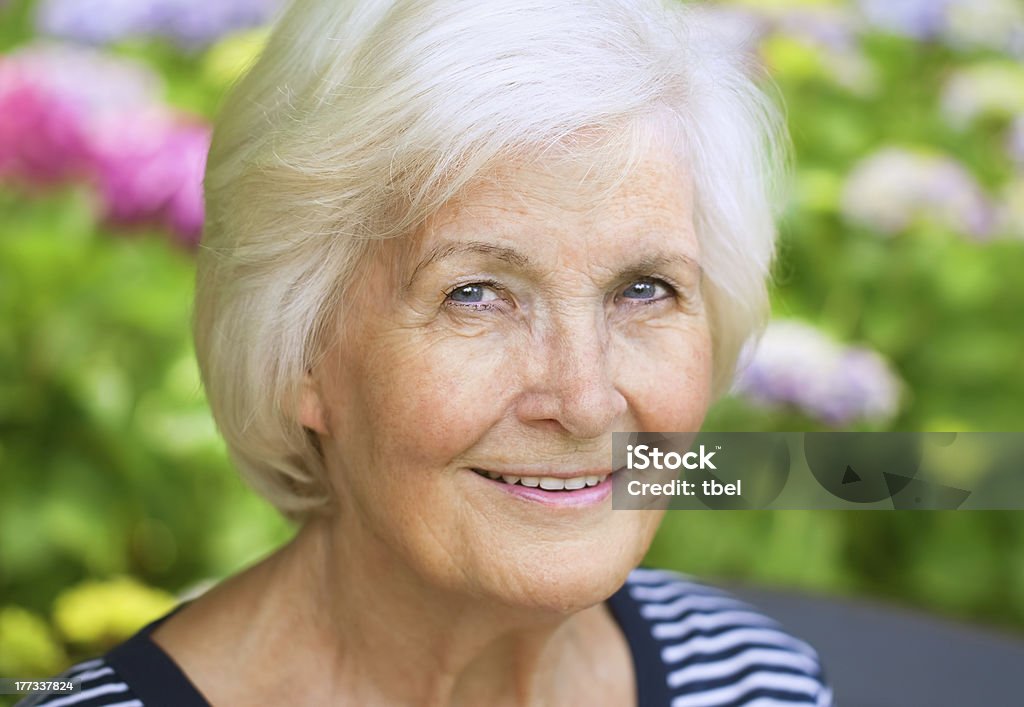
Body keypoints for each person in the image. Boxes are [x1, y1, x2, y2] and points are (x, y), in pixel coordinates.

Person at [21, 0, 833, 704]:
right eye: (475, 294)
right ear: (301, 349)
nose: (585, 399)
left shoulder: (753, 681)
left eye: (644, 289)